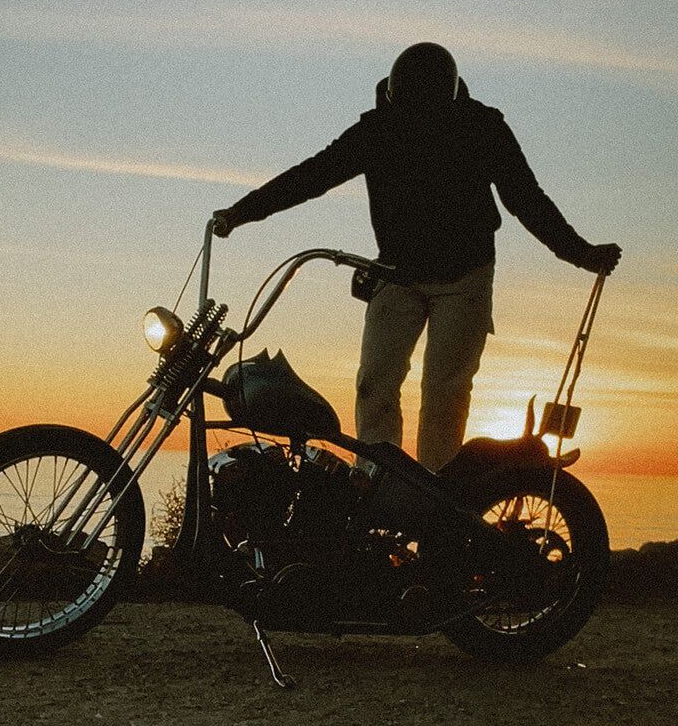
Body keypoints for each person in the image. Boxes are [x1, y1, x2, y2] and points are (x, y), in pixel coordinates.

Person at [212, 43, 621, 472]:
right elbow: (312, 176)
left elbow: (526, 199)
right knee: (374, 386)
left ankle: (437, 507)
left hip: (465, 278)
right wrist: (242, 212)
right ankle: (375, 486)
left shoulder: (481, 126)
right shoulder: (376, 129)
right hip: (396, 273)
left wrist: (581, 253)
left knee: (445, 392)